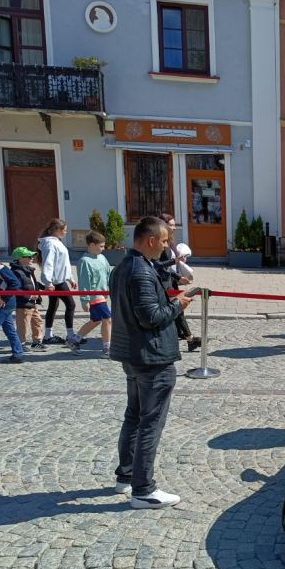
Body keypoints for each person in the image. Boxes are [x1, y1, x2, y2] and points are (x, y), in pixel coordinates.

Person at [109, 216, 193, 509]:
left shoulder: (125, 267)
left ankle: (126, 476)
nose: (168, 245)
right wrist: (177, 305)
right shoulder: (139, 272)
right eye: (166, 240)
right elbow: (151, 317)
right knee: (150, 423)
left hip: (133, 355)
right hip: (151, 357)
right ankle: (143, 489)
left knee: (134, 416)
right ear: (151, 240)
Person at [156, 214, 200, 353]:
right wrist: (174, 262)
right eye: (171, 225)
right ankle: (189, 338)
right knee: (176, 308)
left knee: (177, 309)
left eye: (174, 225)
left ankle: (185, 336)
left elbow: (169, 265)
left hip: (170, 278)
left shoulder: (169, 240)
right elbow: (157, 265)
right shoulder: (159, 241)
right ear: (162, 225)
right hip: (162, 281)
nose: (174, 228)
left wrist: (178, 277)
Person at [69, 231, 113, 357]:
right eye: (101, 246)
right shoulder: (85, 261)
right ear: (92, 245)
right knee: (107, 319)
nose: (103, 249)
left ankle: (75, 340)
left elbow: (108, 274)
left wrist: (110, 289)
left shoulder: (102, 258)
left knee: (95, 320)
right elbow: (83, 282)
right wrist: (85, 300)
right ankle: (106, 348)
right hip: (94, 296)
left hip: (102, 294)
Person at [38, 219, 78, 345]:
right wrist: (48, 282)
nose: (66, 232)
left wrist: (70, 277)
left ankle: (48, 335)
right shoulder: (50, 244)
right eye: (64, 230)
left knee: (53, 306)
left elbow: (63, 263)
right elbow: (48, 263)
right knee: (71, 305)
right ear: (56, 230)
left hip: (59, 280)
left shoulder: (56, 242)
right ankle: (70, 335)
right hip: (56, 282)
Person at [9, 246, 46, 352]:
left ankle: (36, 342)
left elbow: (33, 283)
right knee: (23, 325)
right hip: (23, 303)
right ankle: (20, 344)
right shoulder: (15, 272)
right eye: (29, 256)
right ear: (20, 258)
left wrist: (43, 287)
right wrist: (29, 296)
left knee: (37, 321)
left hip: (32, 303)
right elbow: (16, 289)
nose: (32, 258)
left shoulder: (28, 270)